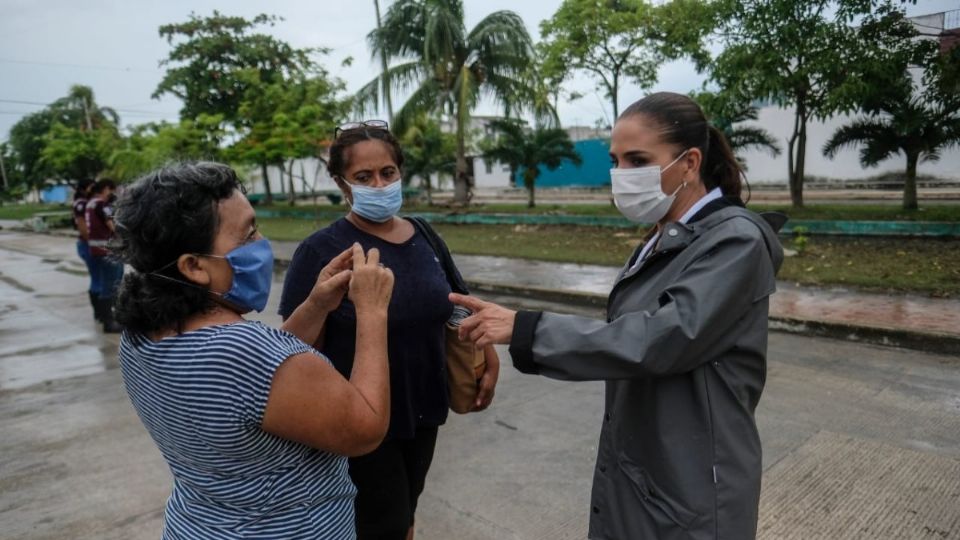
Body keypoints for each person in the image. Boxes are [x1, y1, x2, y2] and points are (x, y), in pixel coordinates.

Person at [451, 92, 785, 540]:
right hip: (644, 465)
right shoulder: (667, 236)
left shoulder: (734, 243)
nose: (621, 175)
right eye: (616, 160)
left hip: (693, 477)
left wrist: (526, 328)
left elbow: (659, 338)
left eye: (638, 160)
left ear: (688, 163)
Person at [112, 161, 395, 539]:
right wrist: (372, 310)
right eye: (247, 235)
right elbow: (366, 428)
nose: (261, 242)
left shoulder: (139, 337)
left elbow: (264, 387)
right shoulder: (246, 353)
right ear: (194, 266)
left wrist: (315, 306)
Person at [279, 121, 500, 540]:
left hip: (423, 408)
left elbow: (457, 303)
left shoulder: (425, 235)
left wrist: (486, 351)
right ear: (342, 184)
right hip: (358, 417)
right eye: (364, 177)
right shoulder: (320, 250)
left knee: (408, 509)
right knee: (383, 523)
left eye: (388, 173)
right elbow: (290, 347)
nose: (379, 185)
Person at [85, 178, 123, 332]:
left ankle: (102, 316)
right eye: (111, 190)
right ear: (106, 188)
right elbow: (112, 225)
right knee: (111, 284)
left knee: (103, 283)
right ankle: (109, 322)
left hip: (96, 249)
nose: (112, 194)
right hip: (106, 249)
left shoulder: (90, 203)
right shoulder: (101, 204)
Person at [72, 178, 100, 320]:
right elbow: (82, 225)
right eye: (92, 187)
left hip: (88, 243)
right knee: (97, 278)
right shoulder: (81, 204)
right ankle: (100, 313)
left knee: (98, 278)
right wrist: (92, 243)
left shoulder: (86, 203)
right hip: (87, 243)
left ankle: (100, 313)